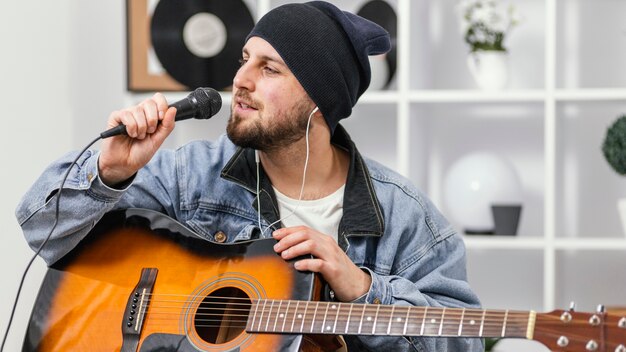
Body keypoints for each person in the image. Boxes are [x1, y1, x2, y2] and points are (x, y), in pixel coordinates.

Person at [16, 1, 482, 351]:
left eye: (269, 68)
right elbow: (40, 230)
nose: (241, 78)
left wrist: (361, 286)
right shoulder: (188, 174)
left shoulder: (405, 218)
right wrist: (109, 170)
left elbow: (462, 339)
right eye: (244, 58)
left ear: (320, 102)